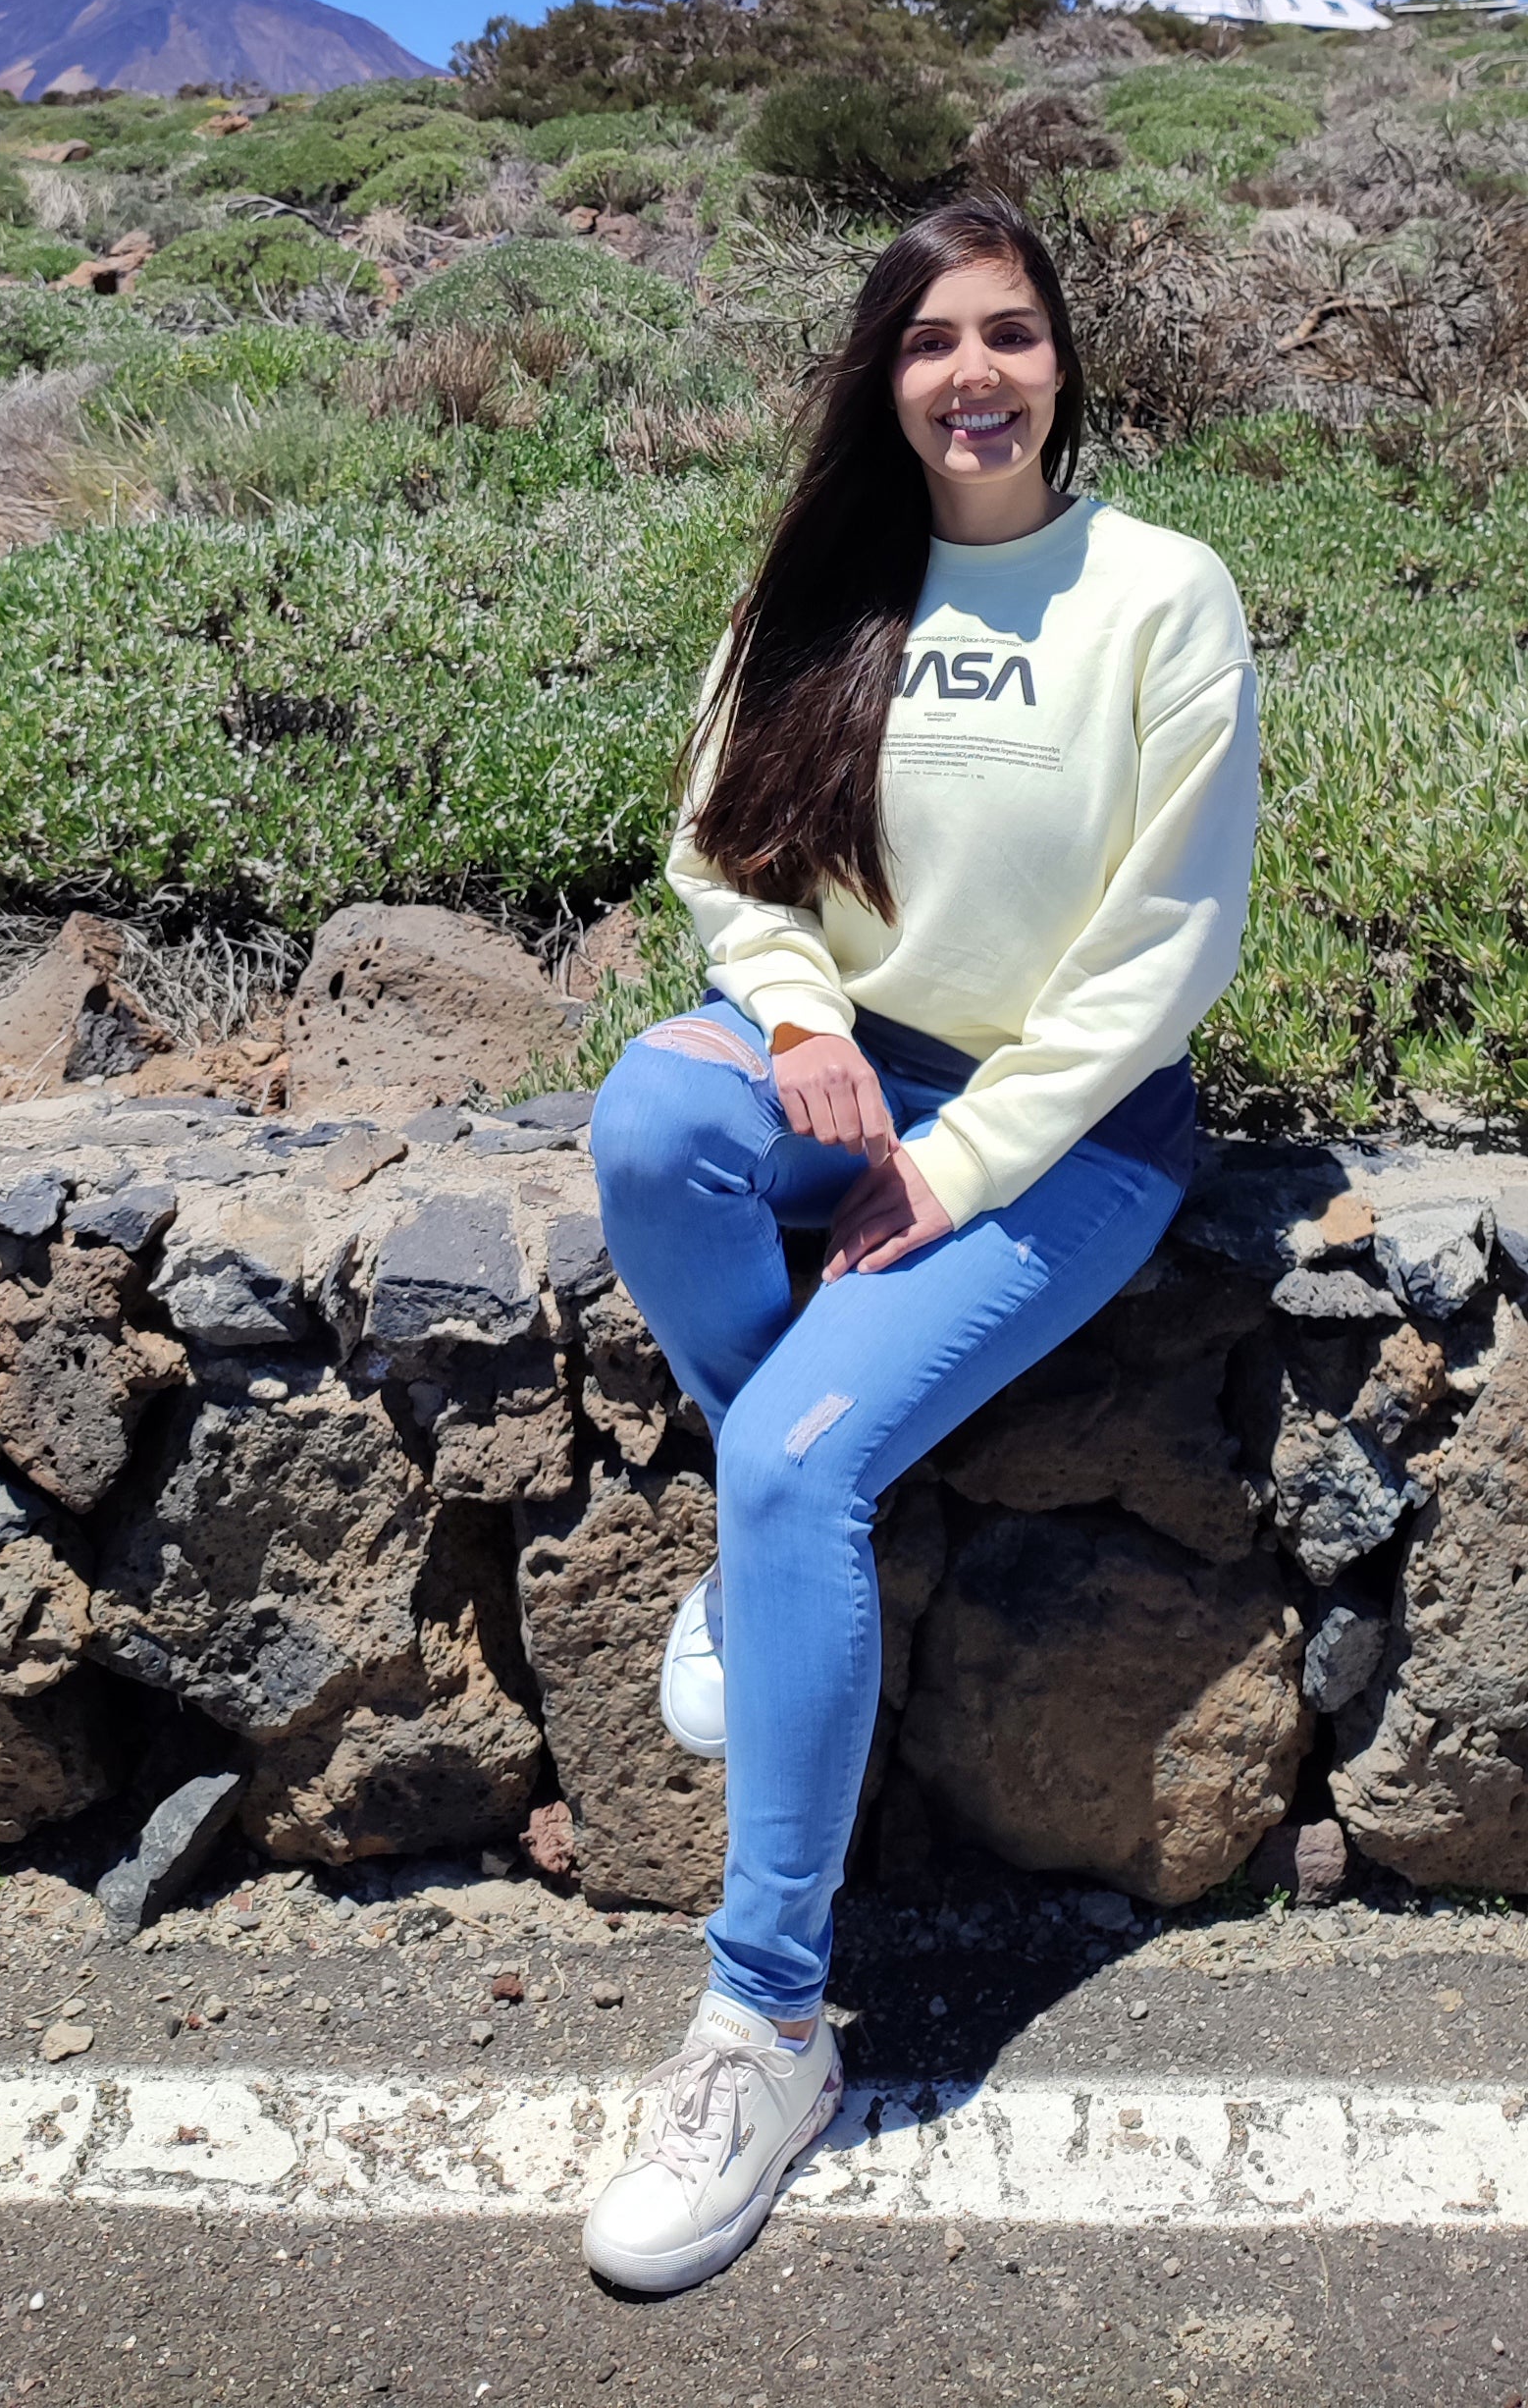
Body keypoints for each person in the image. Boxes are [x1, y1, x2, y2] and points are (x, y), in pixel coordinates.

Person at [579, 192, 1259, 2296]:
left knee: (802, 1460)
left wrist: (960, 1175)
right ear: (885, 376)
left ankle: (765, 2016)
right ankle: (767, 1551)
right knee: (647, 1118)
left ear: (1066, 362)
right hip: (855, 1062)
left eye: (1013, 332)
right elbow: (722, 841)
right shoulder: (831, 580)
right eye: (931, 339)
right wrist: (793, 1014)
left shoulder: (1159, 591)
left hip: (1072, 1130)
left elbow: (1166, 947)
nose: (976, 371)